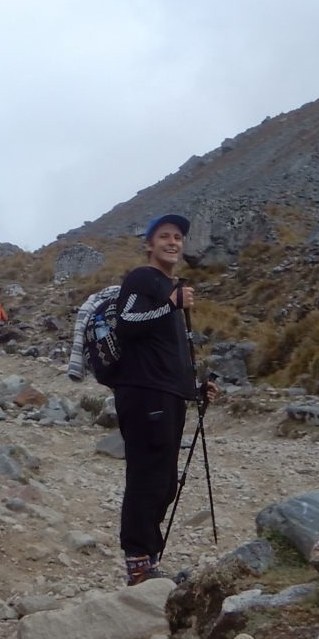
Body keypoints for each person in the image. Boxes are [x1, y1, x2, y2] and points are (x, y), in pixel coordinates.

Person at [112, 213, 215, 585]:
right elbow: (126, 324)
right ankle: (138, 564)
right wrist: (171, 304)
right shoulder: (142, 278)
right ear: (150, 245)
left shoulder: (169, 285)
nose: (173, 242)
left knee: (165, 481)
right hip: (143, 393)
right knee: (148, 478)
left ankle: (148, 562)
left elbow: (170, 351)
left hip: (168, 393)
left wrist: (196, 388)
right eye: (165, 237)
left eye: (177, 238)